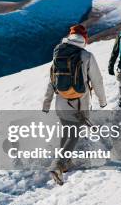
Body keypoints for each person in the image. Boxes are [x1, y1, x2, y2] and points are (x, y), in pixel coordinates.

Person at [42, 24, 107, 185]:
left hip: (61, 102)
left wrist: (46, 102)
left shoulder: (58, 53)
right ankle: (57, 165)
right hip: (79, 104)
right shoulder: (86, 56)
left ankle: (66, 163)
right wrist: (102, 101)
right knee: (73, 135)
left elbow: (52, 80)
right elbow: (97, 81)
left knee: (67, 131)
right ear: (84, 38)